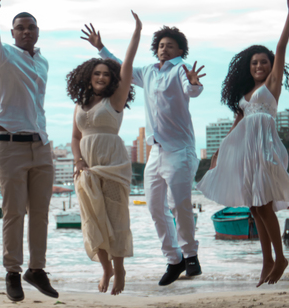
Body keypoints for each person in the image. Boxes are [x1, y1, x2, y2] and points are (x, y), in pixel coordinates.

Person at [82, 21, 205, 286]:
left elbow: (191, 89)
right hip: (155, 151)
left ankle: (191, 254)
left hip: (180, 150)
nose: (164, 49)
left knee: (179, 204)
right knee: (154, 207)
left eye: (170, 46)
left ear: (180, 50)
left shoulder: (181, 70)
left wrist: (195, 85)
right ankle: (174, 260)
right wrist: (101, 47)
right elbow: (120, 67)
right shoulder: (148, 71)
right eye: (160, 45)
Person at [198, 0, 289, 286]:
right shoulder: (245, 97)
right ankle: (268, 261)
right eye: (254, 63)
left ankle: (280, 257)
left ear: (271, 66)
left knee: (264, 203)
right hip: (246, 152)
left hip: (267, 149)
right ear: (248, 67)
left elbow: (281, 47)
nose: (259, 66)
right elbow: (235, 127)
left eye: (264, 62)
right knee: (255, 207)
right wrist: (217, 156)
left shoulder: (271, 87)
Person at [0, 0, 58, 302]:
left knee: (40, 212)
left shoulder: (43, 62)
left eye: (31, 27)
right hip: (10, 145)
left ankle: (36, 270)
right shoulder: (2, 57)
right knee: (14, 212)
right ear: (12, 34)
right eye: (20, 28)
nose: (26, 31)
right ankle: (12, 271)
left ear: (37, 32)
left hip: (41, 145)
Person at [68, 12, 142, 295]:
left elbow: (128, 66)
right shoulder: (80, 104)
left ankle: (120, 268)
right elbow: (75, 137)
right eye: (96, 73)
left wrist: (136, 32)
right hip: (85, 168)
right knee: (92, 219)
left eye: (106, 74)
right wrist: (78, 160)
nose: (101, 77)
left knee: (116, 217)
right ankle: (106, 268)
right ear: (88, 77)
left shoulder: (116, 100)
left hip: (112, 164)